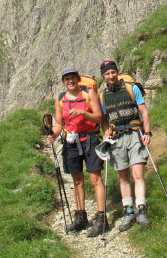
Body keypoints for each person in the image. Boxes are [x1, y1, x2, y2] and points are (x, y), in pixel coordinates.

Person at [47, 66, 109, 237]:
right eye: (67, 79)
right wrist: (53, 134)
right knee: (77, 181)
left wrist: (83, 113)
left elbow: (99, 117)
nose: (70, 81)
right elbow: (59, 124)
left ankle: (102, 218)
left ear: (77, 78)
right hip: (71, 142)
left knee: (95, 179)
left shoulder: (89, 94)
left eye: (73, 77)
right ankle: (81, 216)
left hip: (90, 139)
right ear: (63, 82)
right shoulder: (60, 99)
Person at [98, 60, 152, 230]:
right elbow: (104, 120)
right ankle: (128, 211)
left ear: (117, 72)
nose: (111, 76)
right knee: (123, 176)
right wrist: (106, 132)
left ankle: (141, 209)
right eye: (107, 74)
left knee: (137, 173)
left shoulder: (132, 88)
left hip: (135, 133)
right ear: (103, 76)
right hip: (117, 138)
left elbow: (143, 111)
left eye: (113, 72)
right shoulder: (102, 96)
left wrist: (148, 132)